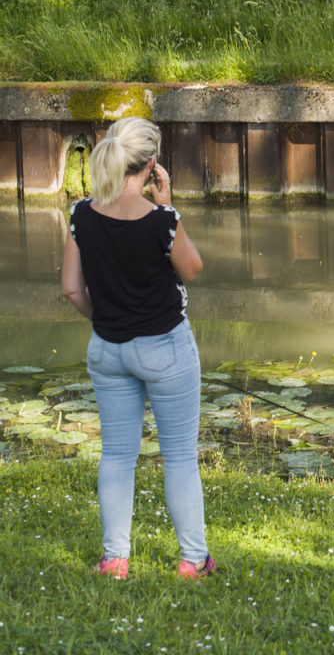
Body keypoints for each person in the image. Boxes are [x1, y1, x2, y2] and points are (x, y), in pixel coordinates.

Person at [61, 116, 215, 582]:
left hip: (108, 350)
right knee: (181, 456)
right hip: (165, 349)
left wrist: (107, 320)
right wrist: (169, 207)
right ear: (152, 166)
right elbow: (191, 269)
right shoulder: (161, 221)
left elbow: (72, 288)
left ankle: (114, 559)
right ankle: (192, 561)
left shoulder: (81, 213)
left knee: (117, 455)